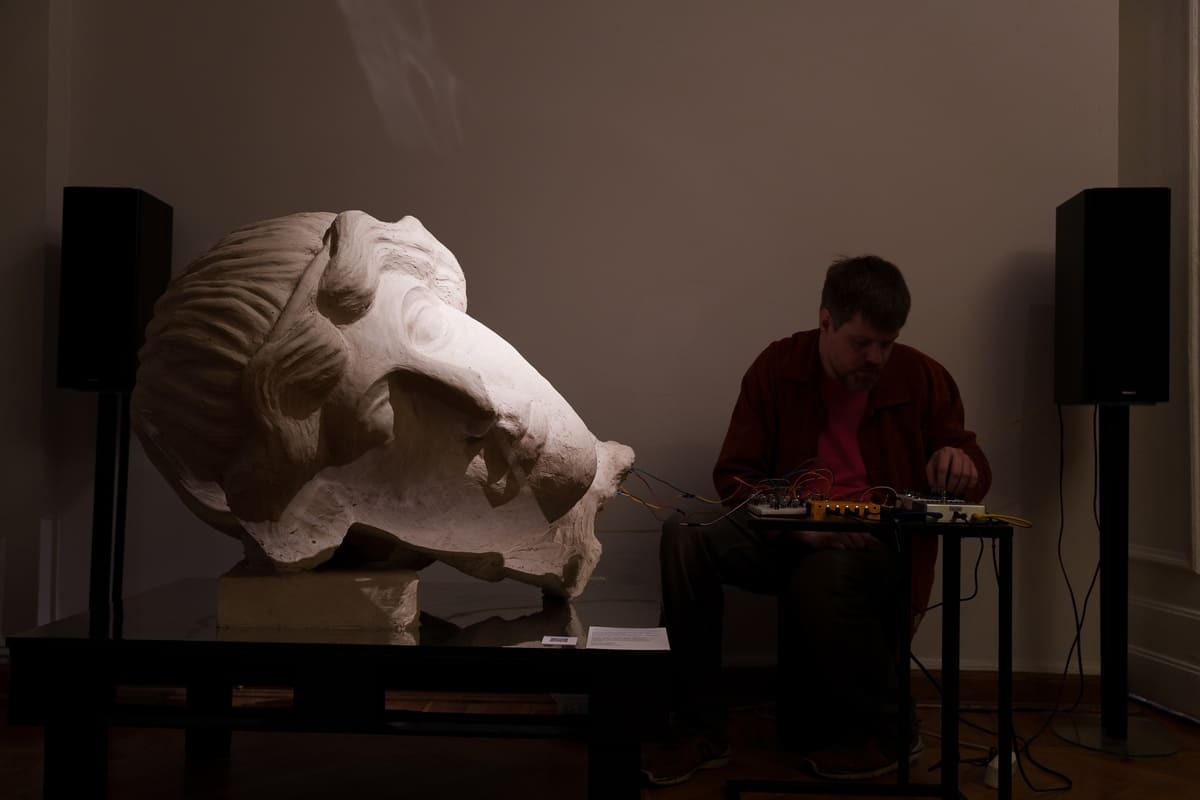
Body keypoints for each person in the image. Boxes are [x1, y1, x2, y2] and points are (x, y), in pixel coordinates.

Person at [641, 254, 991, 786]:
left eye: (887, 344)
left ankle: (891, 731)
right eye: (862, 343)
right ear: (826, 321)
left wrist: (959, 463)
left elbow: (972, 466)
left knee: (825, 573)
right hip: (788, 532)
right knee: (685, 532)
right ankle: (697, 729)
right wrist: (798, 526)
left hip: (874, 549)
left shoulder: (922, 377)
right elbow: (734, 476)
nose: (876, 358)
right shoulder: (777, 368)